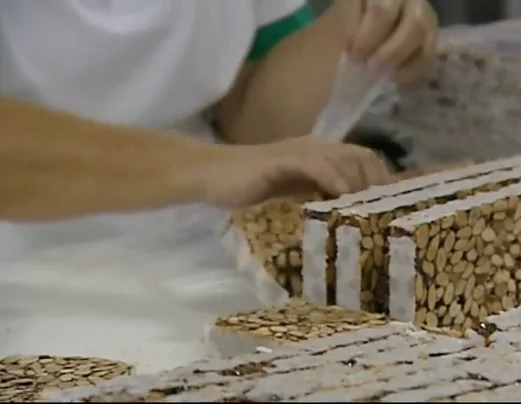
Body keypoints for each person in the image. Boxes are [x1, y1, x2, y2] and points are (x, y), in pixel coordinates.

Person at [0, 0, 438, 258]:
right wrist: (205, 167)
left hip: (194, 261)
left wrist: (360, 30)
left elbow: (250, 117)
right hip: (23, 280)